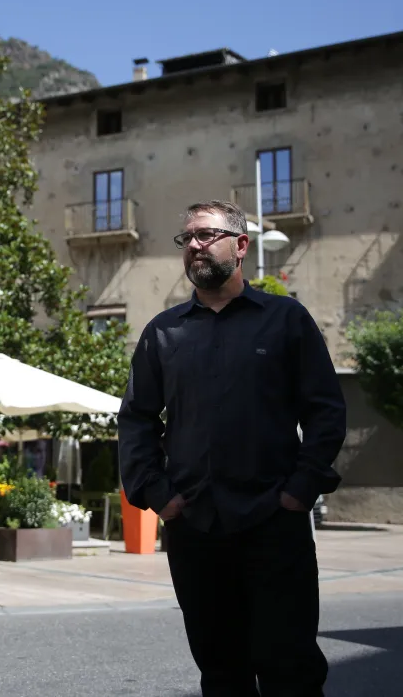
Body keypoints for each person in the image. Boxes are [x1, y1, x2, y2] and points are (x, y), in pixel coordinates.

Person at [118, 200, 346, 696]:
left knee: (291, 670)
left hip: (273, 525)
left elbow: (326, 411)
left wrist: (300, 490)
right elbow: (136, 420)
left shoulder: (286, 320)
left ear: (240, 246)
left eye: (206, 235)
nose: (194, 246)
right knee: (221, 672)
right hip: (196, 529)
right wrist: (158, 493)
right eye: (187, 239)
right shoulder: (163, 332)